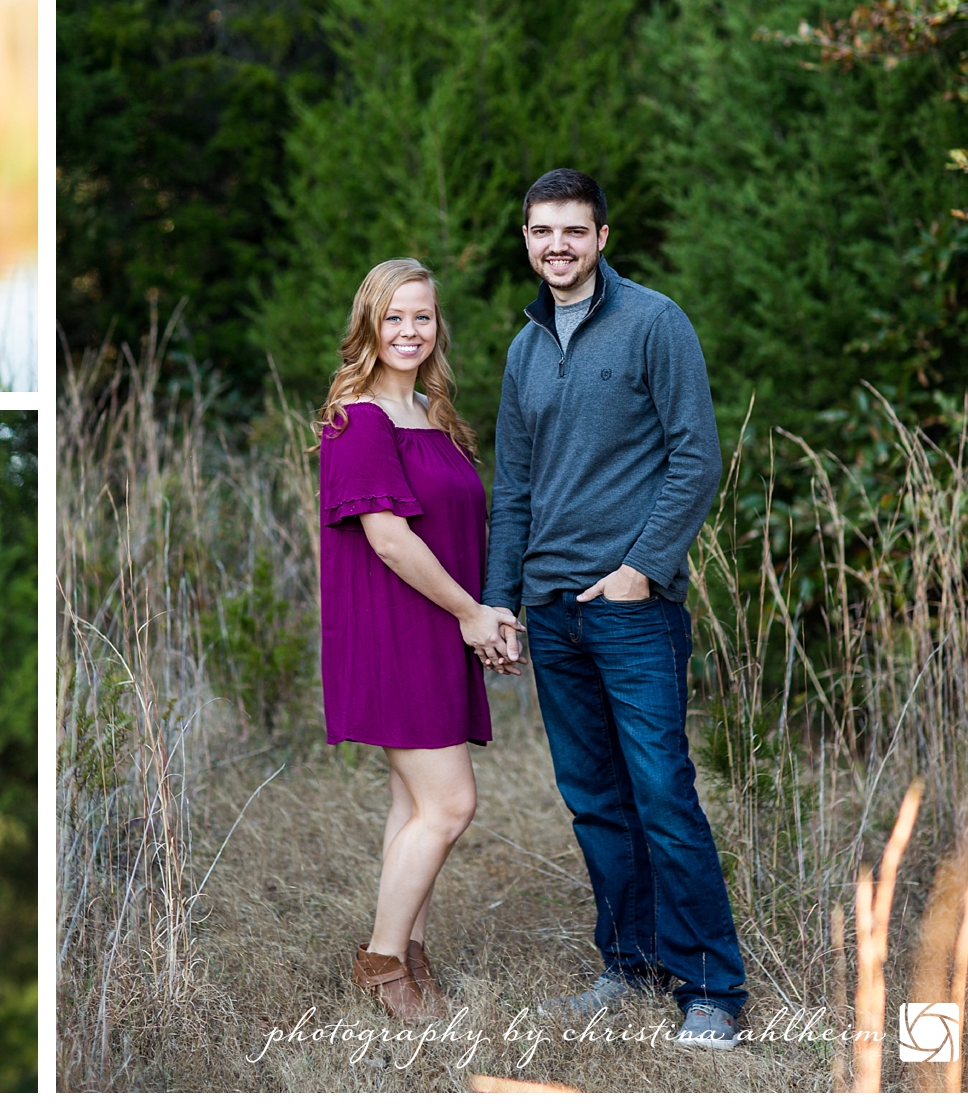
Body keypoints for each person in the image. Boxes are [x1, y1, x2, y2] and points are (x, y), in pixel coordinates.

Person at [482, 167, 745, 1051]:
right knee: (595, 800)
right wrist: (500, 600)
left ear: (601, 237)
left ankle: (711, 988)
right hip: (552, 612)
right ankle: (629, 967)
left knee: (663, 793)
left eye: (573, 231)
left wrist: (642, 568)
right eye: (541, 233)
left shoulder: (653, 323)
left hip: (632, 609)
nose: (556, 247)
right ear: (527, 241)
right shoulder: (523, 349)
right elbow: (513, 488)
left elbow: (694, 457)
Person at [317, 258, 522, 1021]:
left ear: (438, 326)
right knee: (450, 802)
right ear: (370, 324)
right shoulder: (359, 419)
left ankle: (410, 955)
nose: (410, 331)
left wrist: (484, 613)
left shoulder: (433, 420)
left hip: (436, 626)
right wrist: (471, 613)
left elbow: (463, 530)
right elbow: (391, 541)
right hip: (393, 631)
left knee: (413, 803)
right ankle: (381, 963)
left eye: (423, 317)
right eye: (395, 317)